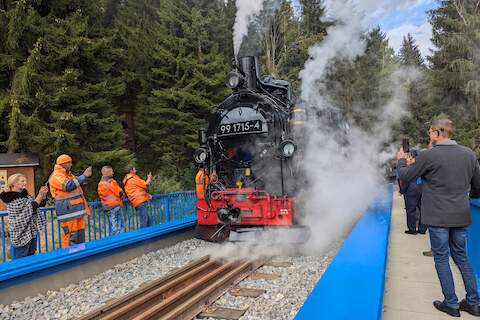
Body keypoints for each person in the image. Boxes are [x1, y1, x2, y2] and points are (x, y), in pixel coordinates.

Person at [397, 119, 480, 317]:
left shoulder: (429, 155)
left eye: (430, 132)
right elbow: (477, 185)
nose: (429, 135)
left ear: (437, 133)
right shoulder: (469, 154)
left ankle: (451, 304)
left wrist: (401, 160)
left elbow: (406, 176)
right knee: (461, 257)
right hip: (461, 215)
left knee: (442, 258)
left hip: (438, 217)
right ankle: (473, 303)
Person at [0, 174, 48, 259]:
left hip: (31, 231)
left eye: (25, 181)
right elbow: (29, 209)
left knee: (31, 257)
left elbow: (36, 205)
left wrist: (43, 195)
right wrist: (39, 195)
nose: (25, 183)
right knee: (20, 259)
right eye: (22, 181)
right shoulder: (12, 199)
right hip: (20, 234)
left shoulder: (25, 195)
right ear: (14, 183)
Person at [49, 154, 92, 248]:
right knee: (71, 237)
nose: (71, 164)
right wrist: (83, 176)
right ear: (63, 163)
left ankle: (79, 256)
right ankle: (69, 258)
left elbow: (78, 183)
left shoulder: (68, 175)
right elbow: (68, 186)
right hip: (68, 212)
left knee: (80, 236)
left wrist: (85, 177)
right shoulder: (56, 176)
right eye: (69, 162)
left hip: (76, 211)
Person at [397, 148, 427, 235]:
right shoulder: (423, 166)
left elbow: (406, 181)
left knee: (411, 210)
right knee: (423, 210)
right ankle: (422, 229)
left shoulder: (410, 167)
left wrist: (402, 191)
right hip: (422, 190)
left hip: (411, 191)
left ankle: (412, 229)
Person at [98, 166, 125, 235]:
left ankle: (113, 242)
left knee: (114, 227)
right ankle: (119, 243)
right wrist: (122, 195)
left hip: (107, 207)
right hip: (115, 206)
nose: (113, 173)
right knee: (119, 227)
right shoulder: (111, 182)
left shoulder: (100, 183)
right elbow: (119, 193)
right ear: (107, 173)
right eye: (111, 171)